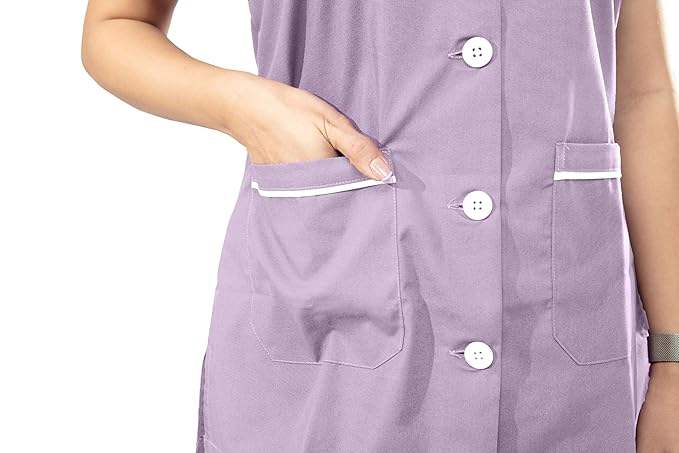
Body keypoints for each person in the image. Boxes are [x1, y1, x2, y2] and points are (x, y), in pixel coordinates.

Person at [81, 1, 679, 451]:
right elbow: (116, 25)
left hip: (571, 368)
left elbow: (642, 91)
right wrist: (247, 106)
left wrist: (674, 363)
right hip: (330, 352)